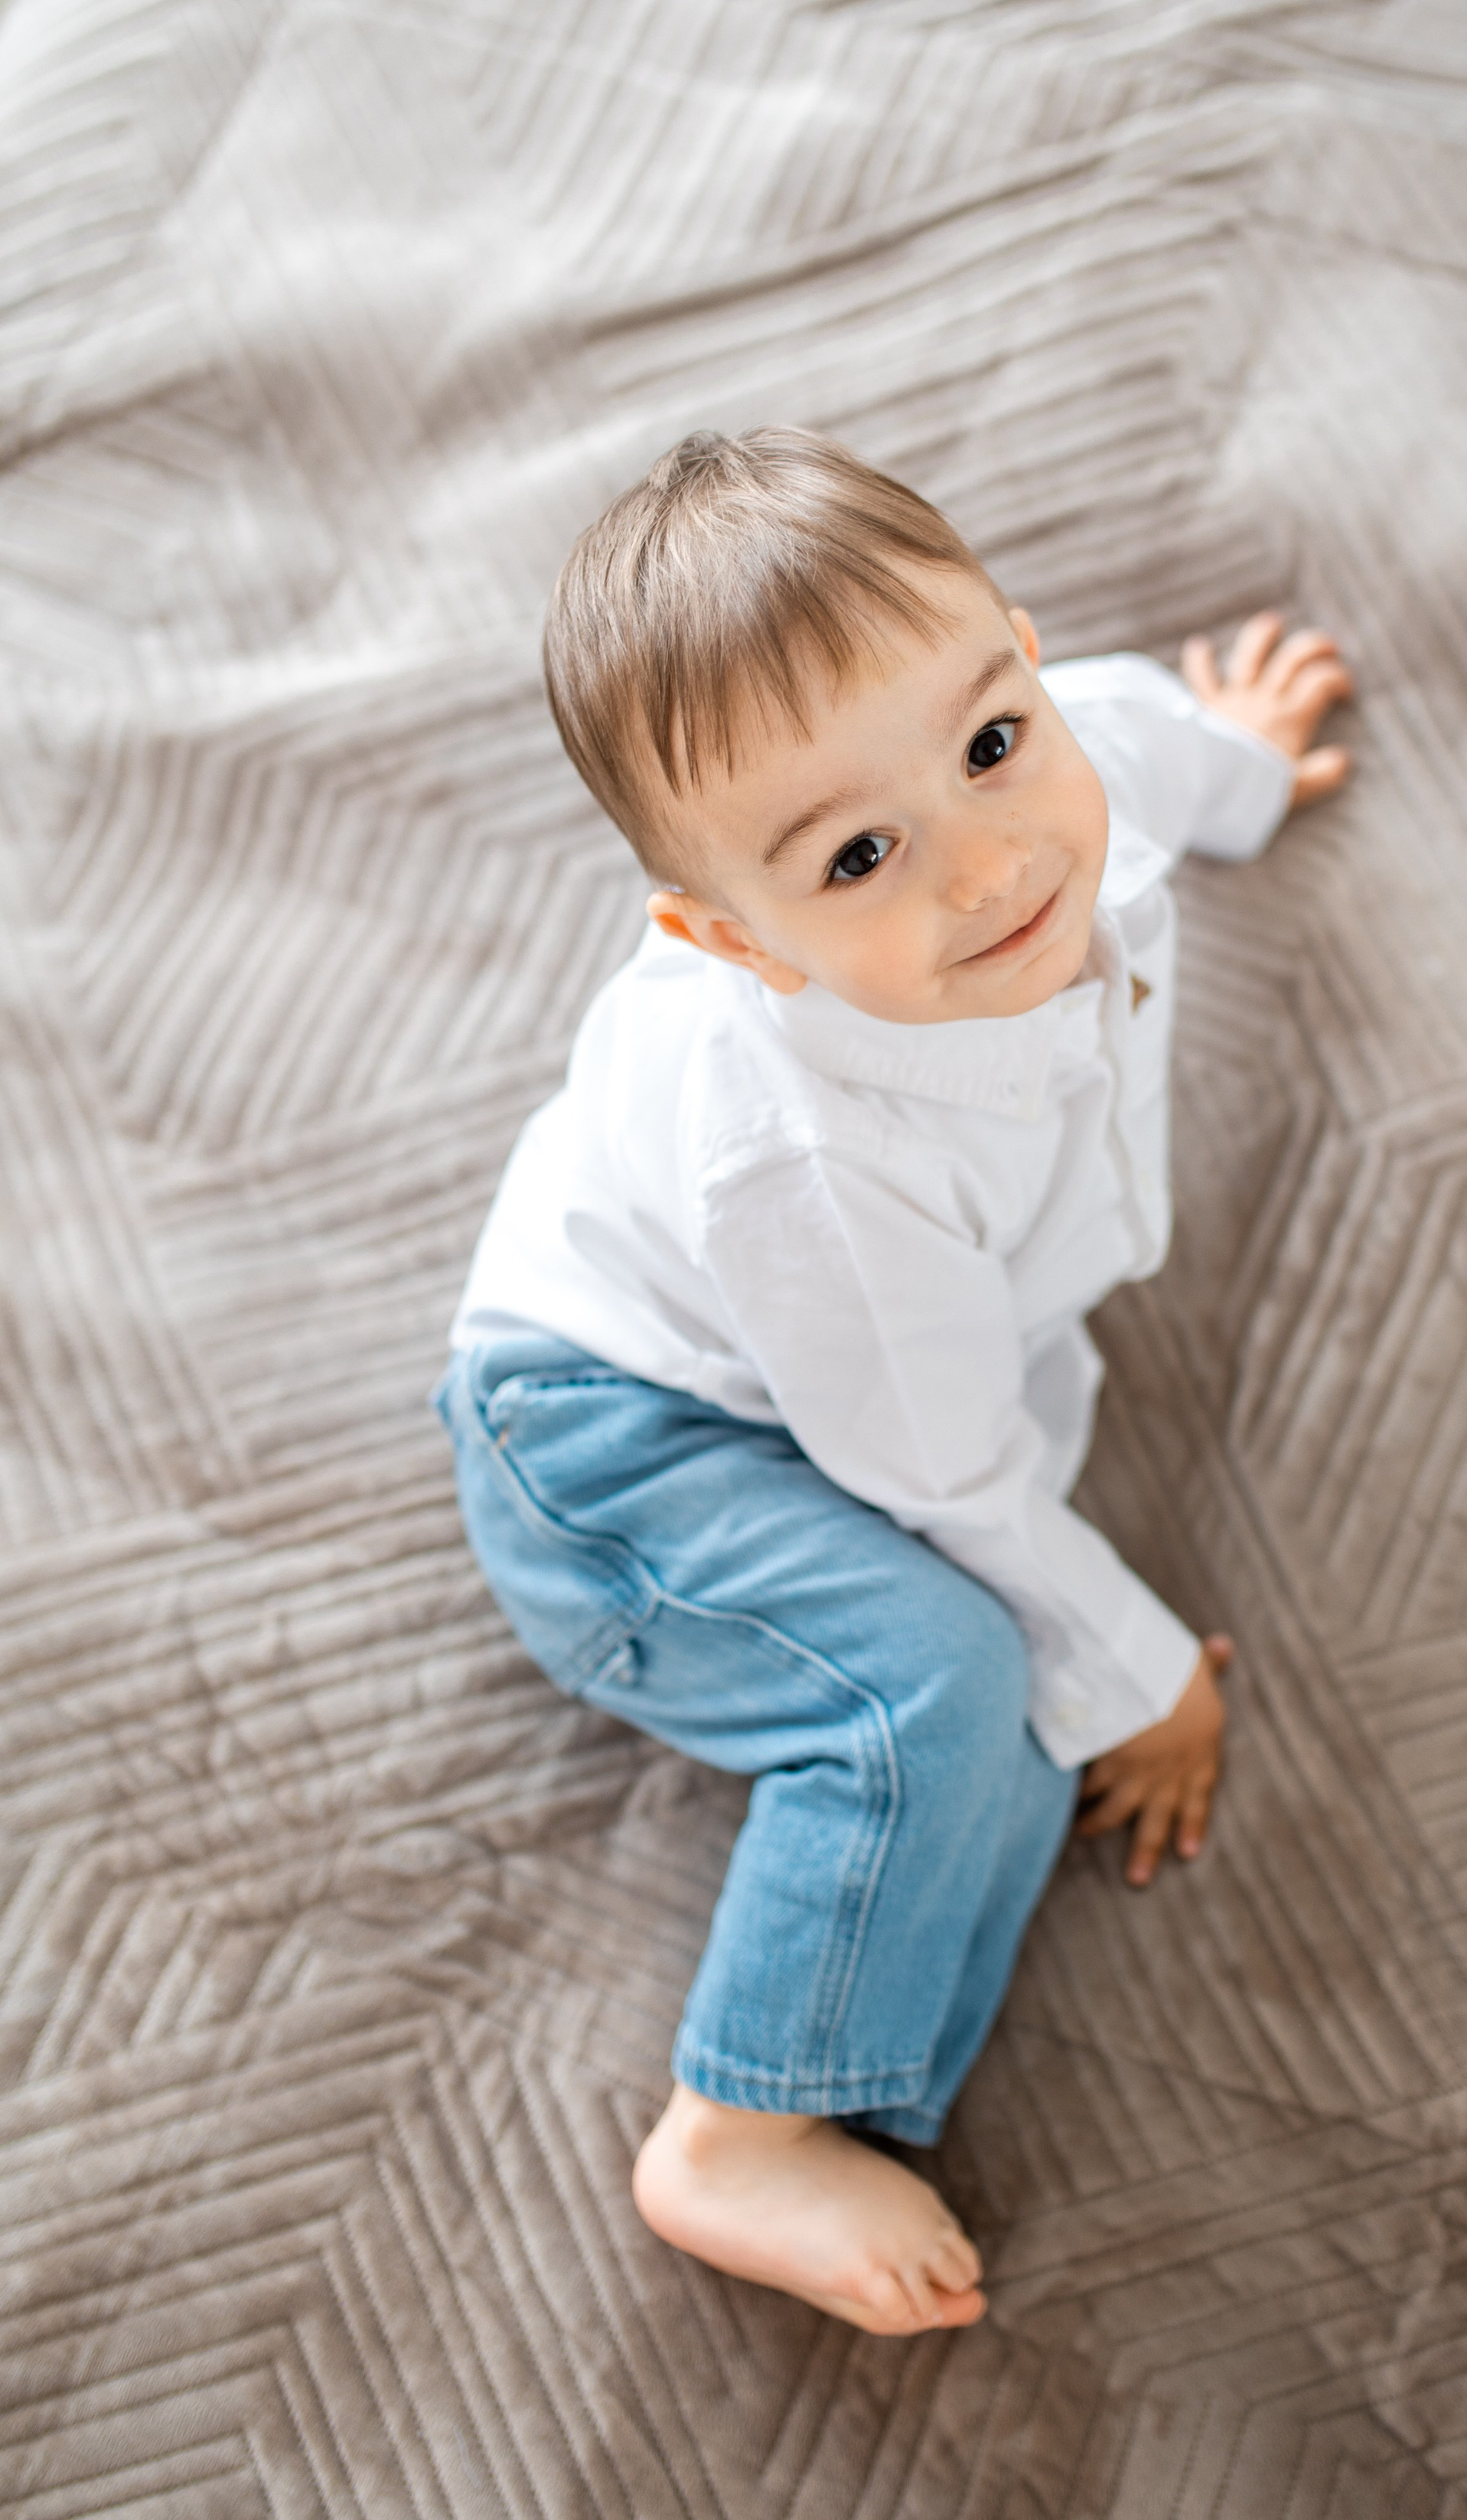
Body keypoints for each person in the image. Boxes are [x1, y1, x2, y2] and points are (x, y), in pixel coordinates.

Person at [434, 426, 1352, 2336]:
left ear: (1014, 663)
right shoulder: (809, 1158)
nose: (990, 859)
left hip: (862, 1366)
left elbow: (1120, 736)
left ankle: (868, 2051)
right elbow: (938, 1470)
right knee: (943, 1679)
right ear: (727, 938)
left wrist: (1240, 761)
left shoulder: (1034, 756)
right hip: (613, 1443)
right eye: (858, 858)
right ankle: (734, 2128)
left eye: (991, 743)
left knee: (1014, 1708)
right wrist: (1144, 1660)